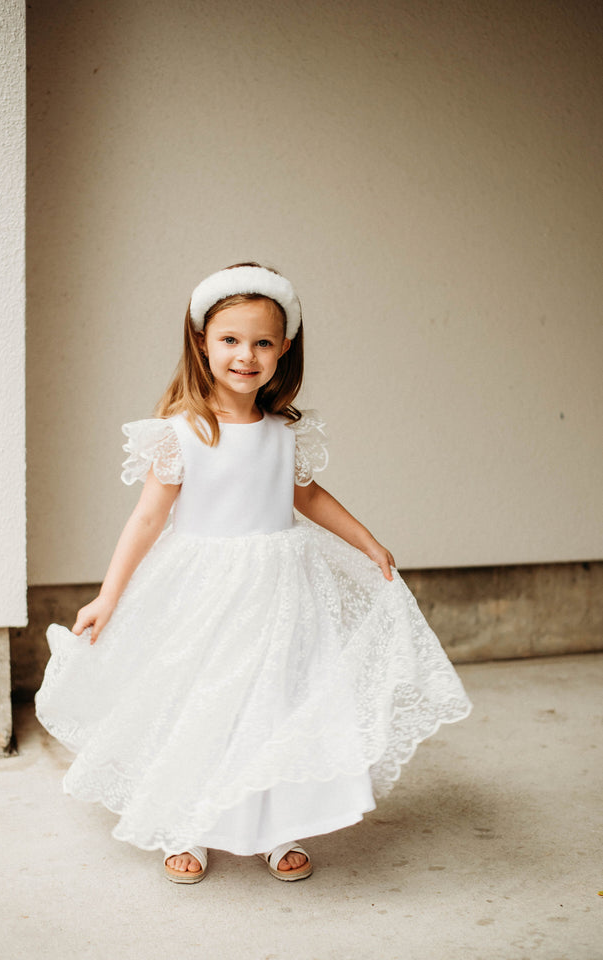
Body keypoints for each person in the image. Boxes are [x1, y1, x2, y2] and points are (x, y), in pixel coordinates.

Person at [35, 262, 472, 884]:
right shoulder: (181, 432)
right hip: (202, 590)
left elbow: (308, 497)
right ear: (203, 345)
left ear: (284, 350)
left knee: (275, 704)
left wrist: (368, 541)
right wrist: (109, 597)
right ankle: (186, 822)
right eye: (231, 340)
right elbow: (147, 519)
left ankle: (273, 827)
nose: (247, 355)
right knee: (200, 702)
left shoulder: (283, 432)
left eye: (263, 342)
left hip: (280, 589)